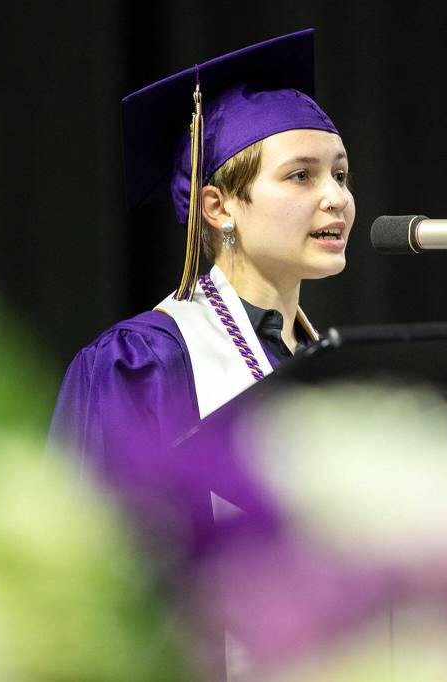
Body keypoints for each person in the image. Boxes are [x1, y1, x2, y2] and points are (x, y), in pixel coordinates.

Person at [49, 29, 354, 473]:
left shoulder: (339, 367)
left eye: (341, 175)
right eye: (301, 176)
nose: (337, 198)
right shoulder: (142, 364)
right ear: (217, 206)